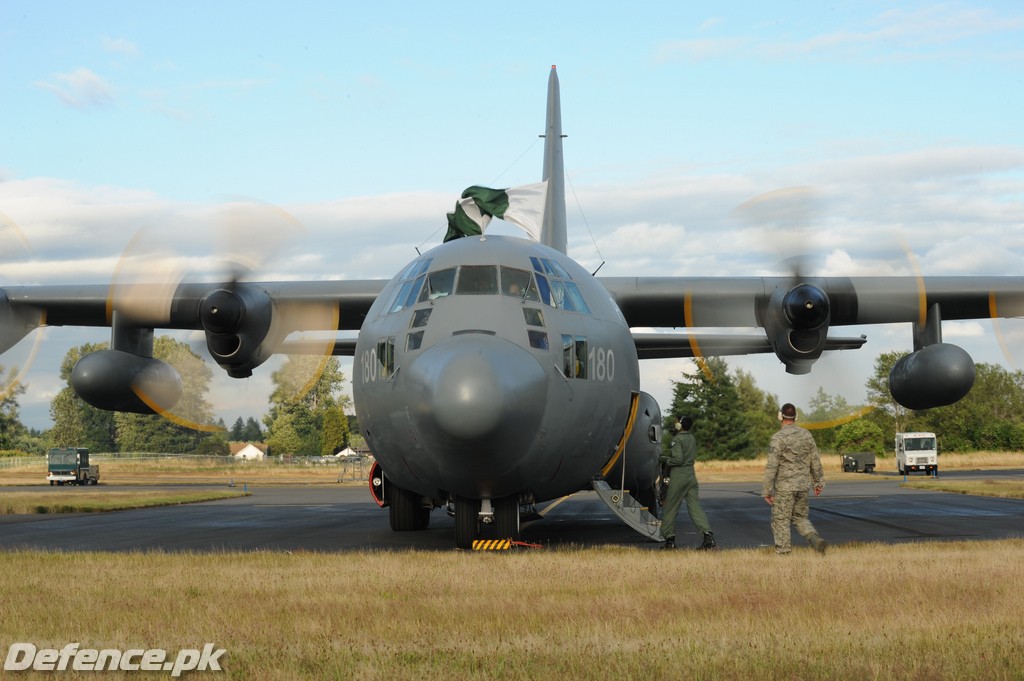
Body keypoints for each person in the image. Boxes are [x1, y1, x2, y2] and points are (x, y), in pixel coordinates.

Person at [762, 403, 827, 555]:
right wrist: (818, 482)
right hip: (803, 486)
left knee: (781, 520)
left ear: (780, 416)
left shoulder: (777, 438)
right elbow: (815, 460)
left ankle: (784, 553)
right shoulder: (807, 435)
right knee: (800, 517)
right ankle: (813, 537)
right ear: (795, 417)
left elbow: (772, 466)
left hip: (785, 487)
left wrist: (767, 490)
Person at [659, 415, 716, 550]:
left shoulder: (677, 440)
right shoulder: (691, 438)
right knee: (695, 508)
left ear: (680, 425)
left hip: (679, 475)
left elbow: (677, 459)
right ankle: (708, 536)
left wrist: (663, 459)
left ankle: (669, 540)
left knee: (670, 508)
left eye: (676, 423)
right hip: (691, 475)